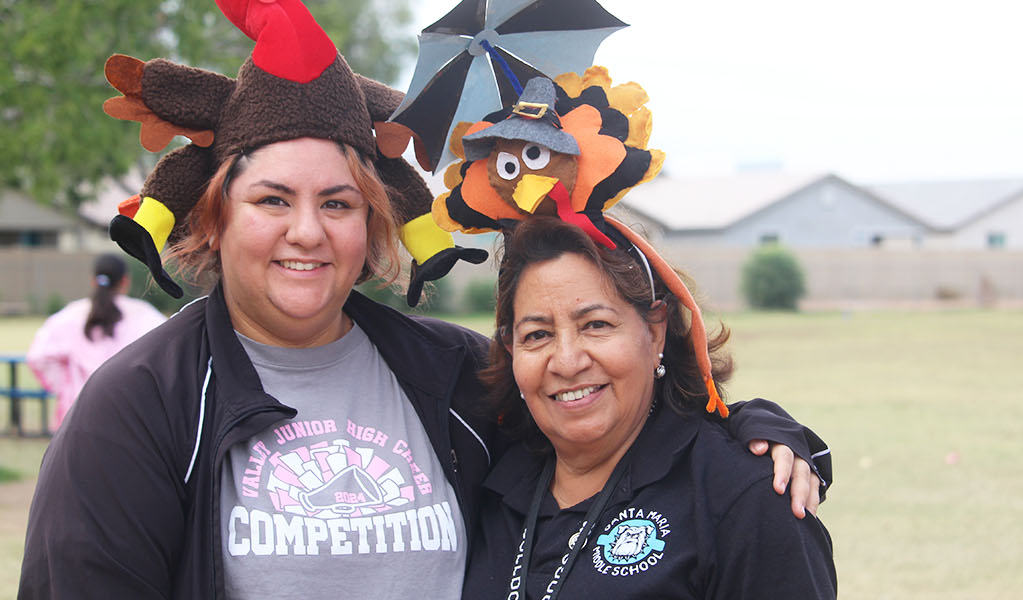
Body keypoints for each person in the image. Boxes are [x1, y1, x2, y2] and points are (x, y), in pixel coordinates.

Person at [19, 2, 821, 598]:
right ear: (215, 214)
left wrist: (752, 433)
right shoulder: (138, 406)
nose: (308, 232)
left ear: (375, 220)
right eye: (271, 201)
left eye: (338, 203)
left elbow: (606, 430)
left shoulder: (456, 376)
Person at [460, 217, 835, 598]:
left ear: (655, 330)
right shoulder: (483, 478)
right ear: (511, 352)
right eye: (537, 335)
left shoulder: (746, 497)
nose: (567, 361)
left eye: (596, 324)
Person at [25, 253, 167, 430]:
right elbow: (168, 357)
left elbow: (39, 356)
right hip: (129, 417)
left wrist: (67, 386)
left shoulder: (69, 315)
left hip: (77, 416)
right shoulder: (144, 315)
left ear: (93, 281)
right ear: (125, 281)